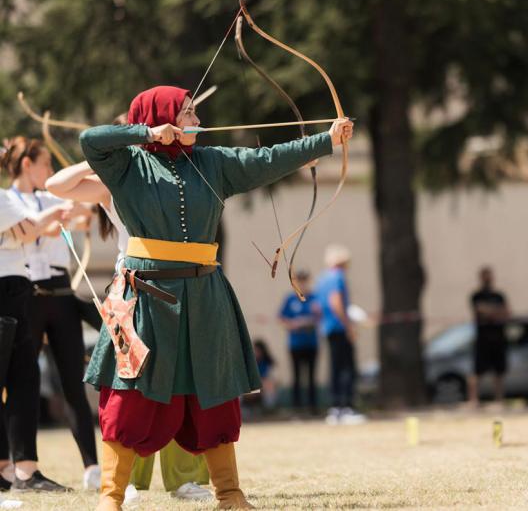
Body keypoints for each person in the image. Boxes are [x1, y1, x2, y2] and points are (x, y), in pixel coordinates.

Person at [79, 85, 351, 511]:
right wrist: (146, 133)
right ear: (162, 117)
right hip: (145, 296)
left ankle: (229, 494)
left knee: (214, 393)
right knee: (130, 396)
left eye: (193, 112)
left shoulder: (212, 162)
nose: (197, 121)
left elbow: (267, 159)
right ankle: (110, 499)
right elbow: (89, 140)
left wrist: (328, 139)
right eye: (187, 113)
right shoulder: (127, 166)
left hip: (204, 295)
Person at [46, 160, 213, 502]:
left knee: (181, 381)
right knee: (132, 384)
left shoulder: (171, 176)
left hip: (176, 286)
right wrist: (95, 159)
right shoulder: (114, 180)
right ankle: (128, 478)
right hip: (131, 292)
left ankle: (183, 479)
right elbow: (56, 185)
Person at [0, 137, 100, 490]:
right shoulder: (7, 198)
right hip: (23, 293)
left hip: (56, 292)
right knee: (18, 379)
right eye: (45, 165)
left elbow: (85, 216)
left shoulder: (50, 195)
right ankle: (15, 467)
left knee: (69, 379)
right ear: (27, 165)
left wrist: (72, 213)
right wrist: (47, 220)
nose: (50, 172)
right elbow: (25, 230)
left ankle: (89, 466)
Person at [315, 244, 364, 425]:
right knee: (346, 368)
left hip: (327, 328)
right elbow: (336, 302)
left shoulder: (321, 279)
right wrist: (349, 325)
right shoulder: (338, 277)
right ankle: (346, 407)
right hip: (339, 327)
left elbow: (318, 306)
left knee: (335, 368)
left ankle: (335, 408)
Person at [467, 266, 510, 406]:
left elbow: (507, 313)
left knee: (499, 372)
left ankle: (499, 399)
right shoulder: (476, 295)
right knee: (477, 371)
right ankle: (473, 400)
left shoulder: (499, 296)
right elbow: (480, 311)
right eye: (485, 276)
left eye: (490, 276)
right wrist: (495, 312)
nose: (488, 279)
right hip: (483, 339)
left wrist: (491, 312)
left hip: (498, 338)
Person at [278, 271, 319, 413]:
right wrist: (293, 324)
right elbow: (281, 318)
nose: (302, 284)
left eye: (304, 280)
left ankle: (312, 406)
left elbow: (320, 317)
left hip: (311, 343)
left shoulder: (314, 298)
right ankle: (297, 406)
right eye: (299, 280)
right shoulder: (290, 299)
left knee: (311, 376)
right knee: (296, 376)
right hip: (295, 344)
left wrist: (313, 319)